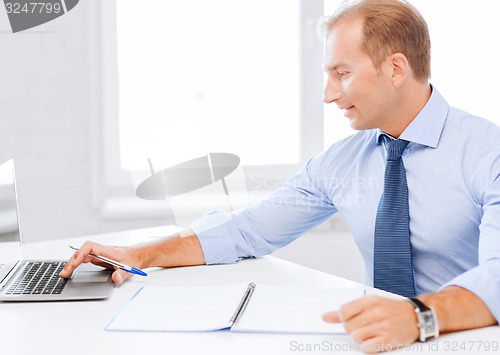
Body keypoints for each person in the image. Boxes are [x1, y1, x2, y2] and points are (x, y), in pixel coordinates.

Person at [60, 0, 499, 352]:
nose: (329, 95)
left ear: (396, 69)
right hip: (379, 343)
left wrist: (418, 316)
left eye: (342, 74)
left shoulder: (487, 153)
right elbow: (245, 232)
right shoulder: (342, 162)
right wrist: (138, 255)